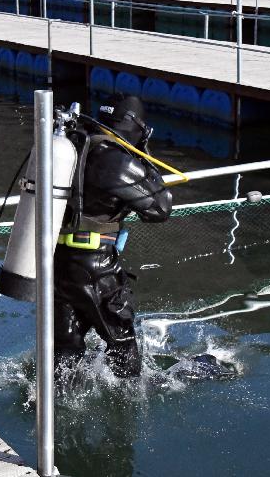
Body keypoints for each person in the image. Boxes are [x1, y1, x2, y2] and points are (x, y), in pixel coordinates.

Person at [54, 94, 173, 377]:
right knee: (122, 344)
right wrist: (143, 156)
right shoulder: (116, 161)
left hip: (58, 263)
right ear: (136, 128)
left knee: (65, 350)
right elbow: (160, 208)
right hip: (95, 267)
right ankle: (128, 402)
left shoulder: (73, 144)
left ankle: (56, 404)